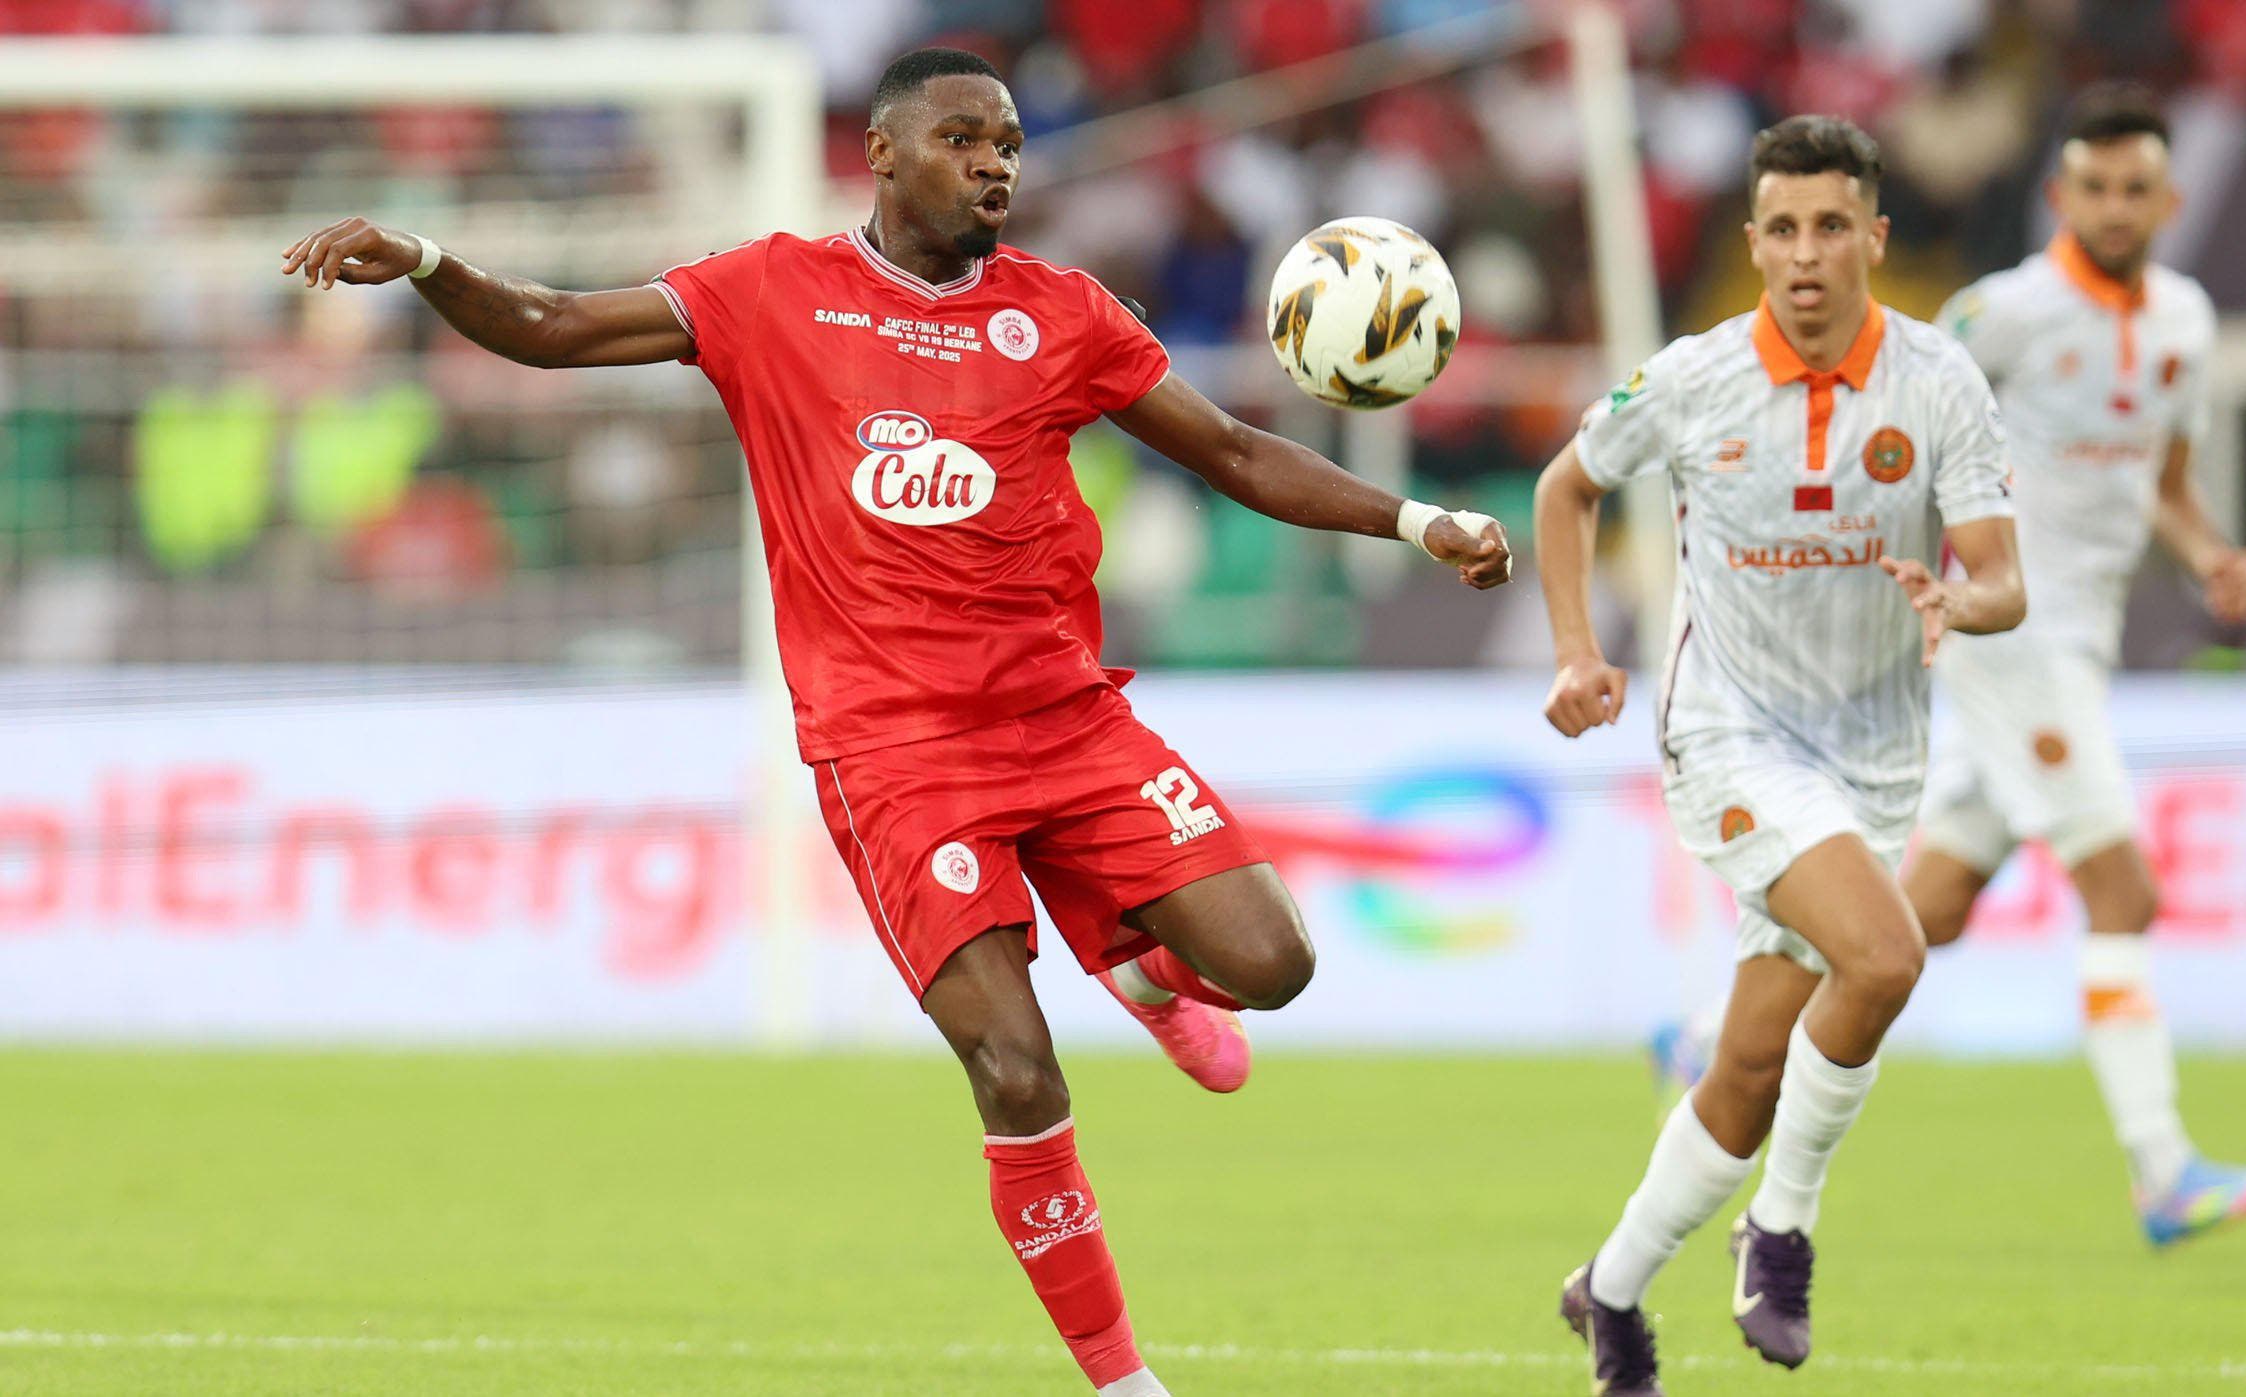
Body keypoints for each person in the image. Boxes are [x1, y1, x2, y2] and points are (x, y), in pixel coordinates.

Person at [277, 47, 1510, 1397]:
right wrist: (434, 259)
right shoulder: (771, 291)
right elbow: (556, 326)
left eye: (1008, 146)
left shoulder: (1063, 311)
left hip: (1064, 719)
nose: (993, 165)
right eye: (962, 139)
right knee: (1013, 1066)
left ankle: (1144, 968)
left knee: (1272, 965)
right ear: (879, 149)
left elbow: (1231, 451)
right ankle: (1123, 1382)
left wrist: (1415, 519)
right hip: (899, 753)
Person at [1535, 116, 2022, 1394]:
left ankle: (1613, 1288)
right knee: (1884, 952)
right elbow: (1563, 485)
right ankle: (1782, 1227)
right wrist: (1577, 649)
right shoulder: (1693, 377)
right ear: (1752, 246)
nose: (1805, 256)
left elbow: (2001, 577)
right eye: (1781, 231)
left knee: (1750, 1064)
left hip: (1870, 759)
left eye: (1829, 227)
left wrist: (1959, 602)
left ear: (1872, 234)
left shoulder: (1935, 383)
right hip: (1728, 736)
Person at [1908, 82, 2246, 1246]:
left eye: (2136, 189)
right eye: (2094, 186)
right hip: (2003, 626)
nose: (2115, 207)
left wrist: (2209, 553)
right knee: (2121, 888)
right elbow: (1899, 423)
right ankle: (2161, 1169)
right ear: (2056, 193)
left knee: (1933, 903)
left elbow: (2160, 484)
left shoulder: (2183, 320)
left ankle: (1724, 1032)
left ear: (2167, 198)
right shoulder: (2002, 313)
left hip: (2082, 633)